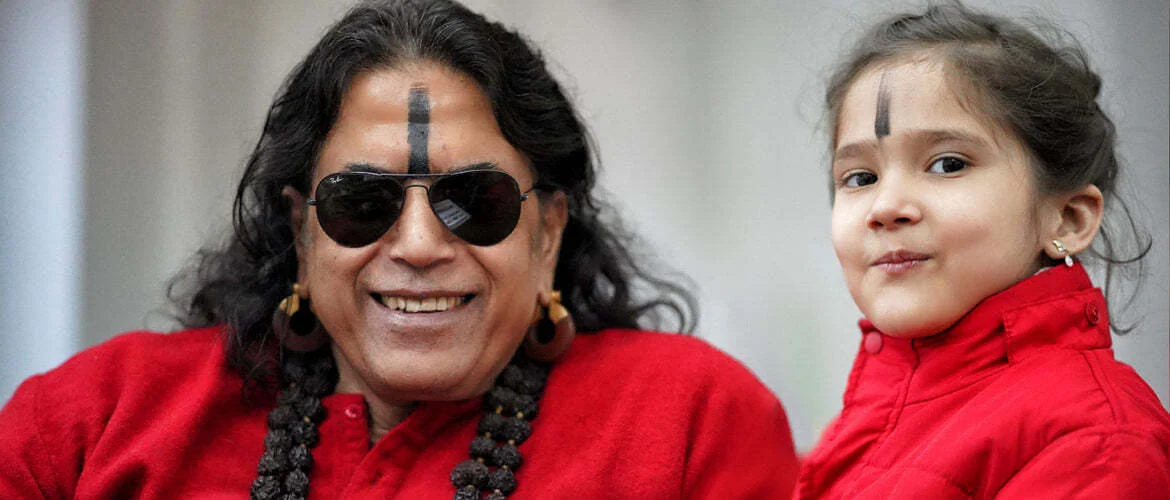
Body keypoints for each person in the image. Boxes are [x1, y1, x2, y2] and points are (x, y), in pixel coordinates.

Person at [0, 1, 800, 498]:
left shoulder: (690, 421)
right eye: (362, 202)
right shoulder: (92, 423)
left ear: (548, 232)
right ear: (301, 229)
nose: (418, 245)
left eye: (475, 201)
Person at [797, 3, 1170, 498]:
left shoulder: (1096, 445)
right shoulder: (864, 425)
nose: (885, 208)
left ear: (1067, 218)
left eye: (947, 164)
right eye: (860, 177)